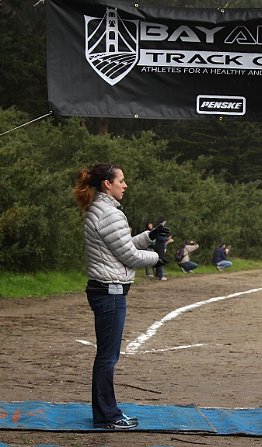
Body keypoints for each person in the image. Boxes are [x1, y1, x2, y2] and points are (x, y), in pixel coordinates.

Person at [72, 162, 169, 430]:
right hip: (110, 292)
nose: (125, 185)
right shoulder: (110, 214)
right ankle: (108, 416)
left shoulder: (102, 210)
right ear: (108, 183)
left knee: (106, 355)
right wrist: (157, 258)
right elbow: (127, 255)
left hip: (105, 291)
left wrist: (149, 236)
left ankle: (107, 413)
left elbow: (121, 246)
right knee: (107, 357)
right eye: (121, 181)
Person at [154, 216, 173, 280]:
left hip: (158, 246)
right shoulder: (160, 228)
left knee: (158, 260)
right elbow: (159, 238)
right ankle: (159, 275)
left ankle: (157, 275)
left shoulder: (156, 228)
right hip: (160, 246)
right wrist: (166, 239)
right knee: (160, 260)